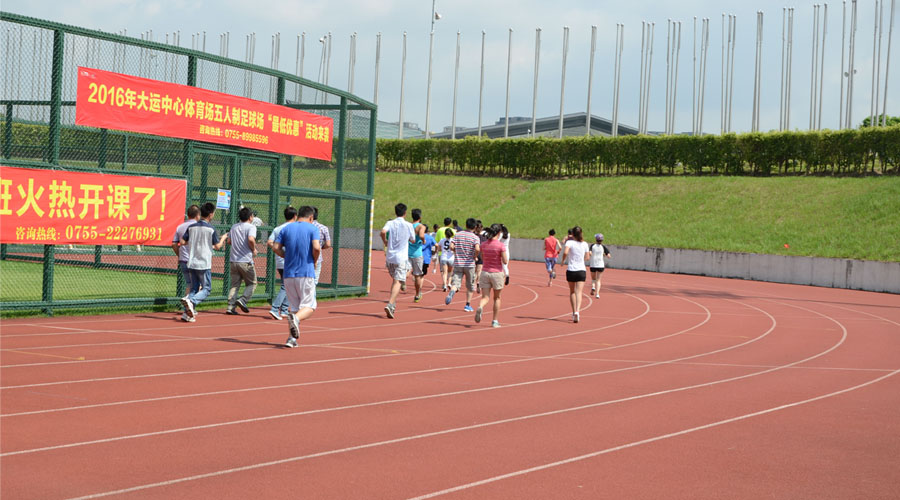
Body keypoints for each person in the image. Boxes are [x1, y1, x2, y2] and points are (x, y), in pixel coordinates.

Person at [272, 205, 321, 348]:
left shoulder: (286, 228)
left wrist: (286, 256)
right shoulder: (313, 229)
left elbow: (275, 247)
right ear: (311, 217)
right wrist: (315, 260)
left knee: (294, 307)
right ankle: (296, 319)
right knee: (310, 306)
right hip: (305, 272)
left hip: (288, 274)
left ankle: (291, 339)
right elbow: (316, 247)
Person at [179, 202, 229, 321]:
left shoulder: (191, 227)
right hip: (204, 263)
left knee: (194, 289)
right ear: (211, 214)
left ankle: (186, 314)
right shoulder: (211, 229)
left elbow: (182, 241)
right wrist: (223, 238)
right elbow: (217, 246)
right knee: (206, 289)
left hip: (192, 262)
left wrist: (193, 241)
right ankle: (191, 301)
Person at [380, 203, 416, 318]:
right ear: (405, 213)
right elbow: (413, 240)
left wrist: (385, 241)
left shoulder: (390, 223)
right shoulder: (408, 225)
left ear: (395, 212)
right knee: (398, 281)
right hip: (401, 257)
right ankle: (390, 304)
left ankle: (393, 303)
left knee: (396, 280)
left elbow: (383, 232)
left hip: (390, 257)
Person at [474, 224, 509, 328]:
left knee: (485, 297)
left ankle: (480, 306)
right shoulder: (500, 245)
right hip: (497, 273)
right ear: (499, 233)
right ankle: (494, 321)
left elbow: (483, 258)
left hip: (485, 272)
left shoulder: (483, 244)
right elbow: (505, 261)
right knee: (497, 298)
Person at [267, 206, 298, 320]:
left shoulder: (277, 228)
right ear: (295, 216)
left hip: (280, 261)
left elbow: (270, 242)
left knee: (290, 285)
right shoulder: (295, 228)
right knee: (287, 286)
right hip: (290, 261)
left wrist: (279, 250)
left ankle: (284, 309)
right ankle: (275, 308)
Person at [226, 207, 258, 314]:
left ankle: (230, 306)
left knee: (235, 285)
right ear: (250, 217)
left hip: (233, 260)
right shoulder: (251, 227)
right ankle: (243, 300)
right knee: (252, 283)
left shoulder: (234, 227)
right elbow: (251, 239)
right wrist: (253, 249)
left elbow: (229, 241)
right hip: (245, 260)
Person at [172, 204, 200, 322]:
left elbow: (174, 244)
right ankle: (188, 308)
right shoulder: (198, 227)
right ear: (198, 215)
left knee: (190, 284)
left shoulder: (180, 227)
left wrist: (180, 255)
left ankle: (189, 307)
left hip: (183, 259)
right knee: (198, 286)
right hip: (196, 260)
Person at [445, 218, 480, 312]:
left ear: (466, 225)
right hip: (469, 264)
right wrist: (475, 256)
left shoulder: (458, 234)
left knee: (456, 282)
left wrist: (455, 251)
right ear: (475, 227)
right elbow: (477, 249)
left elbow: (451, 246)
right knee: (470, 286)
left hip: (458, 263)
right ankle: (467, 305)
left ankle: (452, 291)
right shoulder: (475, 237)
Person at [561, 225, 591, 323]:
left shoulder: (569, 242)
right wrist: (582, 259)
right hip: (581, 270)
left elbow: (565, 252)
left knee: (572, 292)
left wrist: (563, 261)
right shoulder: (585, 244)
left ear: (572, 234)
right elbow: (587, 258)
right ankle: (578, 311)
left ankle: (574, 312)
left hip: (571, 270)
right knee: (579, 292)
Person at [406, 208, 428, 302]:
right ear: (420, 217)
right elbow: (422, 235)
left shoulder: (408, 226)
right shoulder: (421, 226)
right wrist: (423, 240)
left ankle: (403, 281)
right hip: (417, 254)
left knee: (407, 271)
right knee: (417, 275)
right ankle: (417, 294)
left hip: (407, 252)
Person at [311, 207, 332, 285]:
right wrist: (320, 247)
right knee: (314, 282)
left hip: (302, 258)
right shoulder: (323, 228)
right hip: (317, 258)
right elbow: (328, 244)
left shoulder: (302, 226)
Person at [589, 233, 612, 297]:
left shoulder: (592, 246)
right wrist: (603, 254)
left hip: (593, 264)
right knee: (598, 280)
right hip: (600, 265)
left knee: (593, 279)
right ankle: (597, 294)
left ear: (596, 239)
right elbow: (609, 256)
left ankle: (593, 287)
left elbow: (590, 253)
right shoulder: (603, 247)